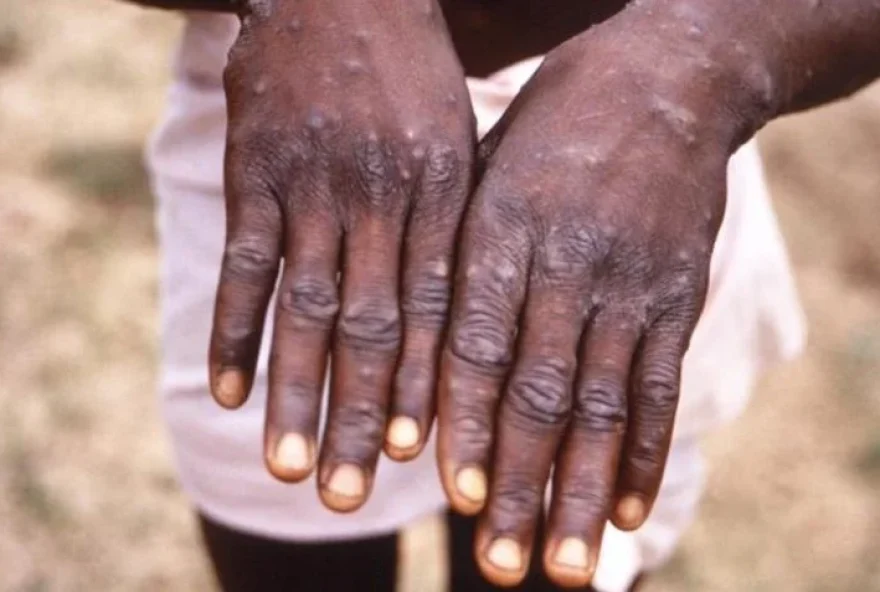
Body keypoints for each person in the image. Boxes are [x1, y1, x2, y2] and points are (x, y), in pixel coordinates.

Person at [129, 0, 879, 589]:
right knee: (285, 522)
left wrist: (697, 61)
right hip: (306, 133)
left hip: (634, 172)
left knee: (554, 545)